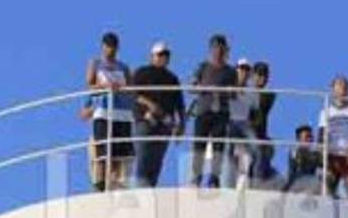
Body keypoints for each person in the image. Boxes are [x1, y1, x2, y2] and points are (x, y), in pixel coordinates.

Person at [80, 32, 135, 191]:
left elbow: (131, 89)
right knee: (103, 150)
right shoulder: (95, 63)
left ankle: (116, 181)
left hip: (122, 112)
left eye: (113, 46)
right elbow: (89, 85)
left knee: (119, 152)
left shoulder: (123, 67)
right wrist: (104, 88)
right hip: (103, 111)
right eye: (107, 46)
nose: (110, 49)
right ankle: (101, 183)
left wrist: (123, 90)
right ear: (102, 46)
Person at [132, 41, 185, 187]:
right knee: (143, 159)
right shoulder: (142, 72)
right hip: (145, 121)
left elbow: (180, 104)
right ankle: (141, 193)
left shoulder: (172, 79)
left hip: (164, 125)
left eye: (166, 54)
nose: (164, 57)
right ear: (152, 56)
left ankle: (149, 191)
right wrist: (150, 105)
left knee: (156, 162)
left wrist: (181, 125)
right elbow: (133, 93)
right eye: (160, 54)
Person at [189, 34, 237, 188]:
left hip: (221, 113)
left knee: (218, 147)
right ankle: (196, 177)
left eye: (222, 48)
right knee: (199, 146)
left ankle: (214, 178)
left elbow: (234, 94)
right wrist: (201, 87)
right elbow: (191, 86)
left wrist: (224, 92)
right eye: (216, 47)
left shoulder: (231, 71)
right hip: (203, 111)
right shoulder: (202, 67)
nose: (219, 51)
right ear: (211, 49)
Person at [317, 75, 348, 201]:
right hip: (332, 155)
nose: (343, 89)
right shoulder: (326, 111)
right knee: (327, 192)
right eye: (339, 86)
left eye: (345, 86)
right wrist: (323, 154)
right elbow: (321, 136)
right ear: (333, 89)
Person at [224, 57, 258, 187]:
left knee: (255, 148)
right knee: (228, 150)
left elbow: (255, 110)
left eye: (246, 69)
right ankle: (228, 181)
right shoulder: (228, 86)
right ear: (236, 70)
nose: (244, 72)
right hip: (230, 121)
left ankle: (249, 179)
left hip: (244, 123)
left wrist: (253, 121)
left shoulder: (252, 91)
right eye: (241, 68)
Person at [249, 61, 276, 183]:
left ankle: (258, 182)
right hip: (245, 136)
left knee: (267, 150)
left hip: (260, 136)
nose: (262, 78)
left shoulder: (268, 96)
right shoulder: (244, 94)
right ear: (252, 75)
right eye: (259, 74)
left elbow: (262, 104)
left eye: (265, 75)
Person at [284, 124, 323, 193]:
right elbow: (292, 173)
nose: (310, 139)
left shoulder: (315, 154)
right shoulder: (294, 151)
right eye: (307, 137)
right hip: (297, 184)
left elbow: (322, 164)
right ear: (299, 139)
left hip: (311, 185)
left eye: (311, 137)